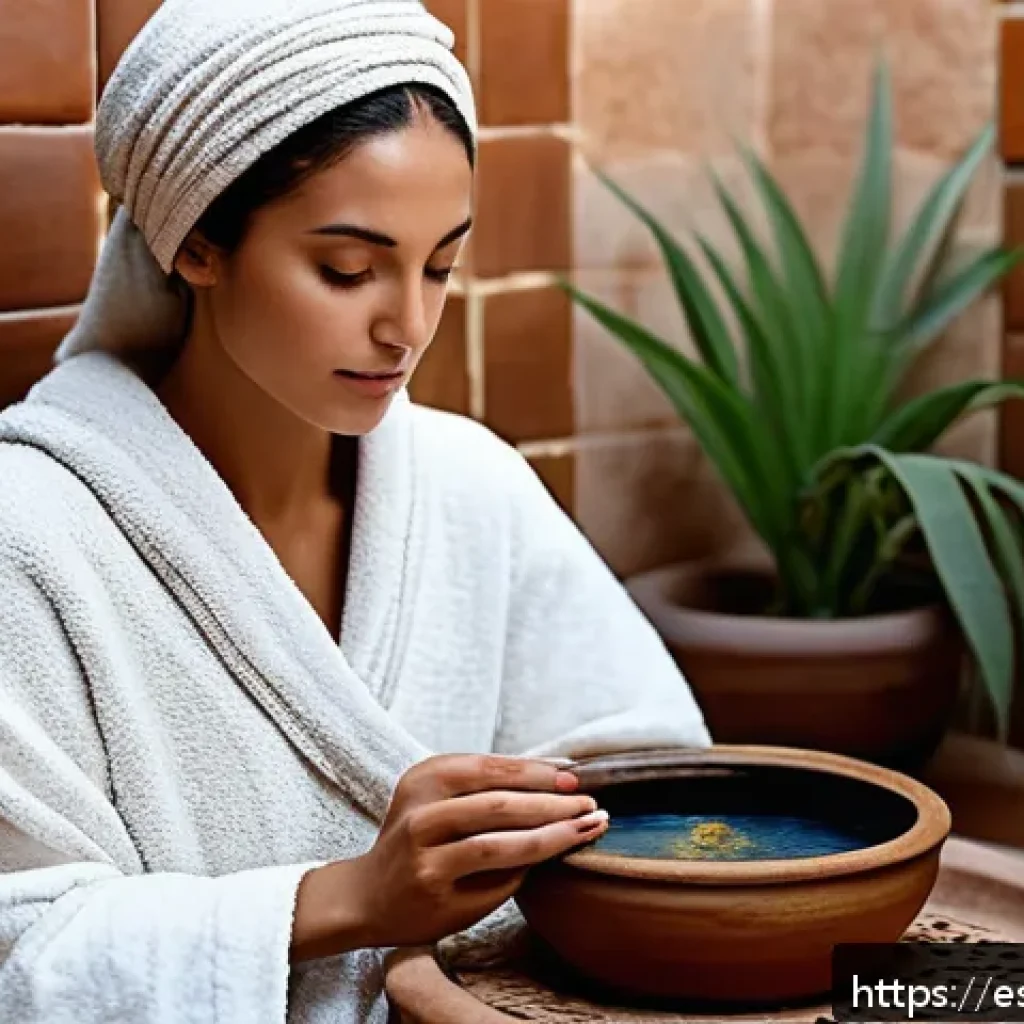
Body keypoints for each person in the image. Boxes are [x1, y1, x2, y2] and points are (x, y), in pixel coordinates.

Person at [0, 1, 711, 1021]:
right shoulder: (28, 535)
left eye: (440, 266)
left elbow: (656, 782)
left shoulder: (471, 486)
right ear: (196, 242)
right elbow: (21, 952)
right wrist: (350, 898)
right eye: (347, 269)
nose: (406, 326)